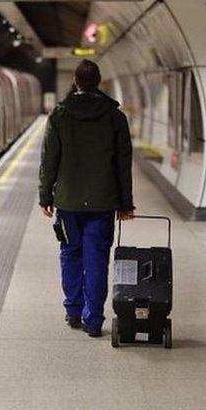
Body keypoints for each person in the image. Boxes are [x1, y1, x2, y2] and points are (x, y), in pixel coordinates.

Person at [39, 59, 134, 337]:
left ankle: (73, 310)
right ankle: (93, 321)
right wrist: (125, 203)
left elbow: (49, 160)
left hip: (68, 203)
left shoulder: (59, 115)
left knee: (70, 254)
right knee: (97, 260)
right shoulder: (115, 117)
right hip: (103, 202)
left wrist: (45, 195)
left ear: (76, 82)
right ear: (99, 81)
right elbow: (122, 164)